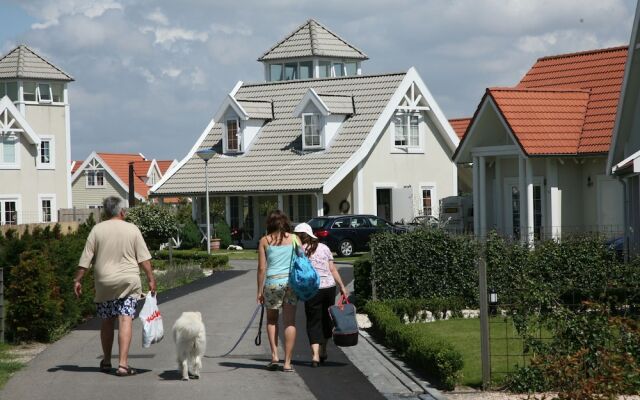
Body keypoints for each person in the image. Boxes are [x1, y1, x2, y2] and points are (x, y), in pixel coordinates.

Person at [73, 196, 157, 377]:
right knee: (125, 318)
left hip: (104, 282)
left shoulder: (97, 230)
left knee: (107, 320)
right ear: (121, 211)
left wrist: (77, 280)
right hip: (128, 280)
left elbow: (85, 259)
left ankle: (106, 361)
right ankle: (123, 365)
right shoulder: (132, 229)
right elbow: (144, 258)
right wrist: (151, 279)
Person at [293, 222, 348, 367]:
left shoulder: (299, 250)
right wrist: (342, 286)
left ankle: (315, 355)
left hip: (312, 288)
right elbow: (332, 269)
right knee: (326, 319)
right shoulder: (324, 248)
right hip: (329, 287)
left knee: (313, 320)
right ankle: (323, 350)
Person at [257, 210, 298, 372]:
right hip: (290, 284)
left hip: (272, 284)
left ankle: (274, 356)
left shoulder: (265, 241)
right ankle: (287, 362)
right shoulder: (295, 239)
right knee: (289, 322)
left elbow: (261, 268)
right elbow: (302, 261)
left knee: (272, 320)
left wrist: (259, 291)